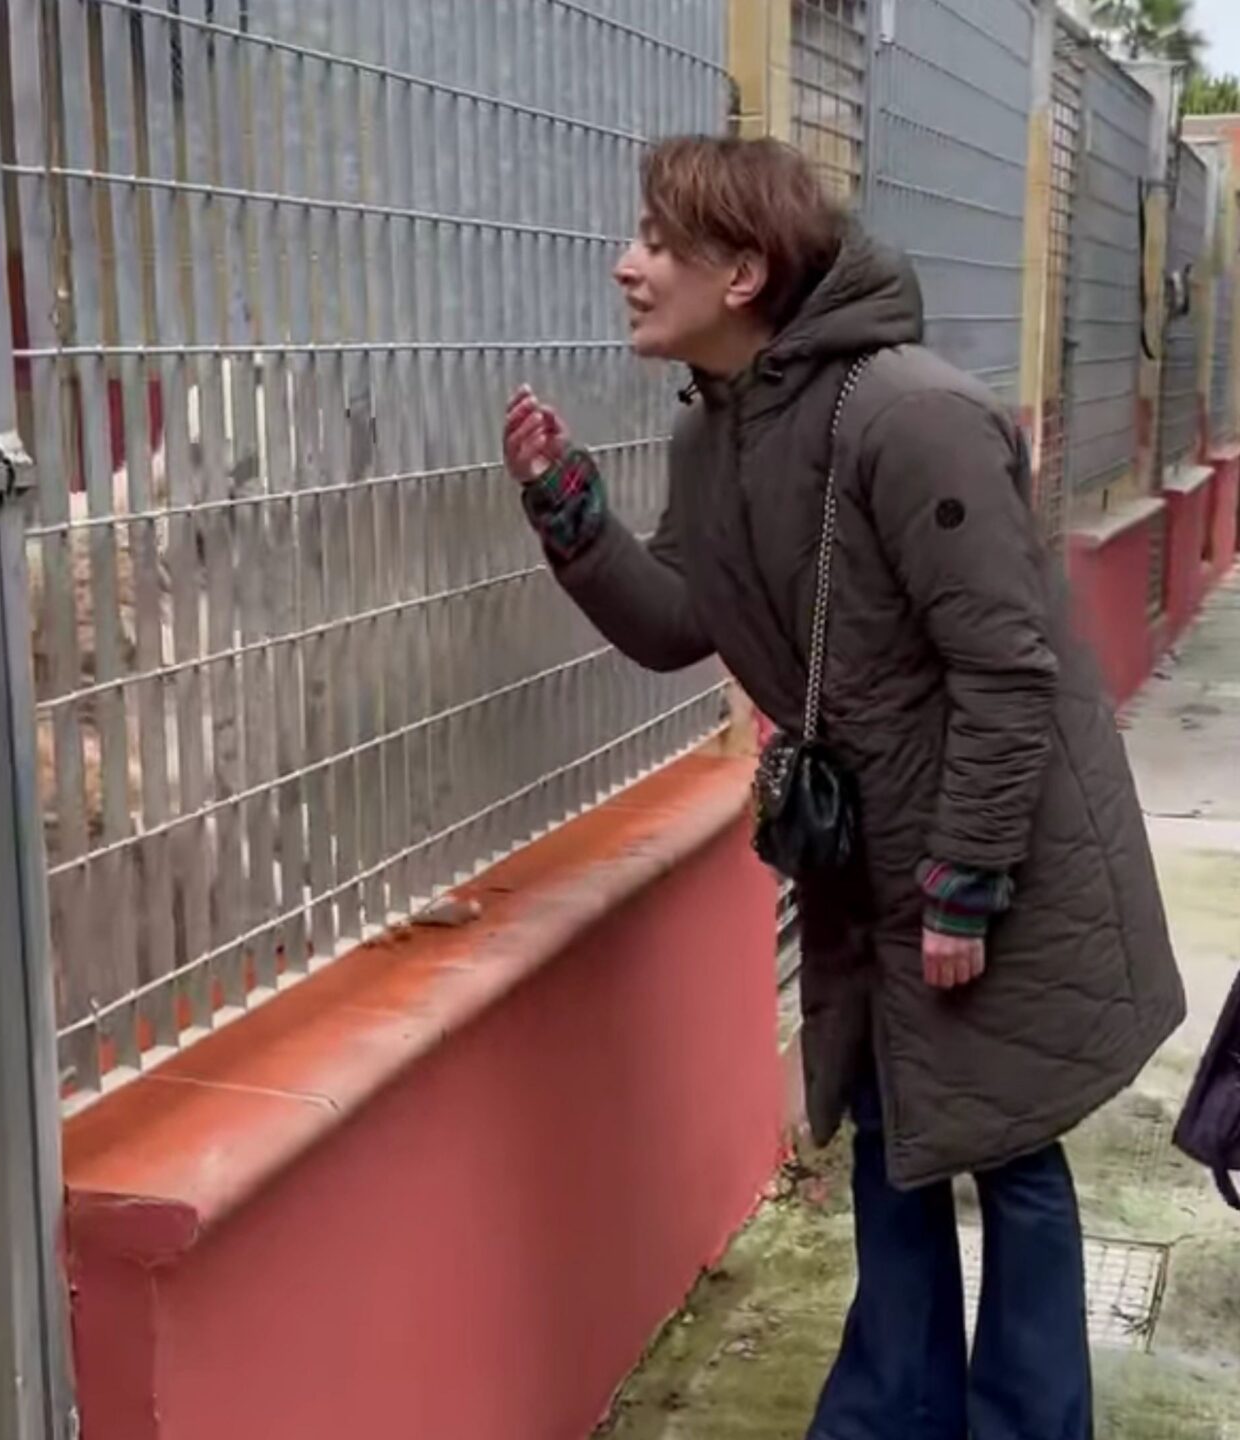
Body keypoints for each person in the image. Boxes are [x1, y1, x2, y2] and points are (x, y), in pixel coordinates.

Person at [501, 136, 1183, 1438]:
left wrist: (966, 882)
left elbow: (1006, 665)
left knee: (1008, 1148)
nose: (626, 265)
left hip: (995, 845)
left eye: (657, 243)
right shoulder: (714, 434)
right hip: (865, 863)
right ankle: (891, 1414)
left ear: (742, 274)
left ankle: (1031, 1421)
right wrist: (571, 515)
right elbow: (678, 620)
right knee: (890, 1133)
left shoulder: (909, 415)